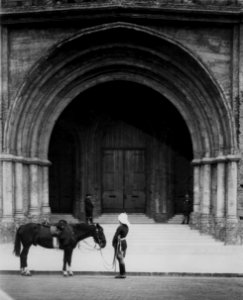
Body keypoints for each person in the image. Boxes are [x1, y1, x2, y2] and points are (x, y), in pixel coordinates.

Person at [112, 212, 130, 279]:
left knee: (120, 258)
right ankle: (122, 273)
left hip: (120, 243)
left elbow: (116, 236)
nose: (118, 221)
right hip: (124, 242)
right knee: (121, 258)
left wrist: (113, 243)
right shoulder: (127, 227)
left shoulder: (120, 227)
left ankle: (122, 274)